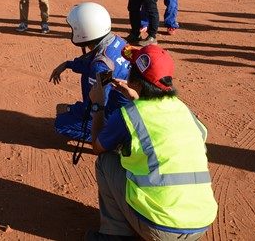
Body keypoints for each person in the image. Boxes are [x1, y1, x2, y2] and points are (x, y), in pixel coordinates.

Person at [86, 44, 217, 240]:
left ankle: (113, 235)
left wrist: (98, 105)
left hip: (162, 228)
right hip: (201, 224)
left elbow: (97, 147)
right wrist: (137, 98)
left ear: (135, 81)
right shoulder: (184, 110)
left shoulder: (129, 115)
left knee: (106, 161)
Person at [49, 2, 130, 142]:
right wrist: (68, 64)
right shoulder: (117, 41)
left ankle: (115, 141)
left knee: (60, 124)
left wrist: (70, 109)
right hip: (129, 109)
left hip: (115, 117)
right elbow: (92, 61)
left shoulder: (100, 68)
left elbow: (97, 106)